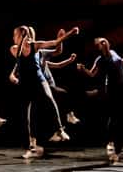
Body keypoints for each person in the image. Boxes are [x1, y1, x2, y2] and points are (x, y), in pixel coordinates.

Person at [9, 25, 78, 158]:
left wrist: (70, 33)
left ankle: (59, 130)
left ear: (21, 34)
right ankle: (33, 146)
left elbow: (55, 43)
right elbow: (18, 56)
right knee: (30, 115)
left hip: (40, 81)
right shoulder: (14, 49)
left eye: (15, 34)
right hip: (27, 86)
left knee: (49, 98)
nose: (13, 37)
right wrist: (14, 78)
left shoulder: (36, 46)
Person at [78, 37, 123, 162]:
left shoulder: (114, 53)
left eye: (103, 41)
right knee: (114, 120)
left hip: (122, 89)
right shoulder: (100, 59)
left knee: (118, 119)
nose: (102, 44)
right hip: (111, 90)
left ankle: (113, 144)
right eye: (99, 44)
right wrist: (83, 69)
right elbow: (92, 74)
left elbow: (121, 63)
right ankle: (115, 148)